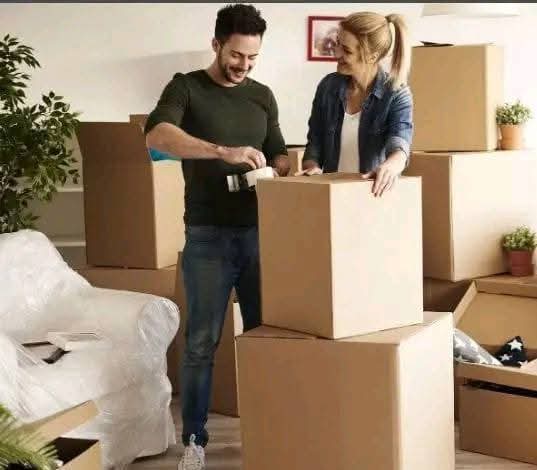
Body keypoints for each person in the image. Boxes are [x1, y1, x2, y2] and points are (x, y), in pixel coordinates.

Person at [143, 4, 289, 469]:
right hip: (207, 237)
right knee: (202, 342)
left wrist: (280, 169)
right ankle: (194, 443)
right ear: (216, 44)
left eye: (253, 58)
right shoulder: (186, 88)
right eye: (236, 55)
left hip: (259, 234)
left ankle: (272, 433)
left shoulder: (262, 96)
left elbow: (279, 152)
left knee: (267, 338)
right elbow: (156, 138)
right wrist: (221, 151)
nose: (244, 65)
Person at [298, 11, 413, 198]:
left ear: (372, 56)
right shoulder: (328, 86)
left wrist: (390, 167)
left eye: (347, 50)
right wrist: (312, 168)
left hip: (372, 197)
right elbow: (315, 142)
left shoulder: (396, 94)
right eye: (338, 44)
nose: (337, 53)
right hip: (330, 196)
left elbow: (399, 143)